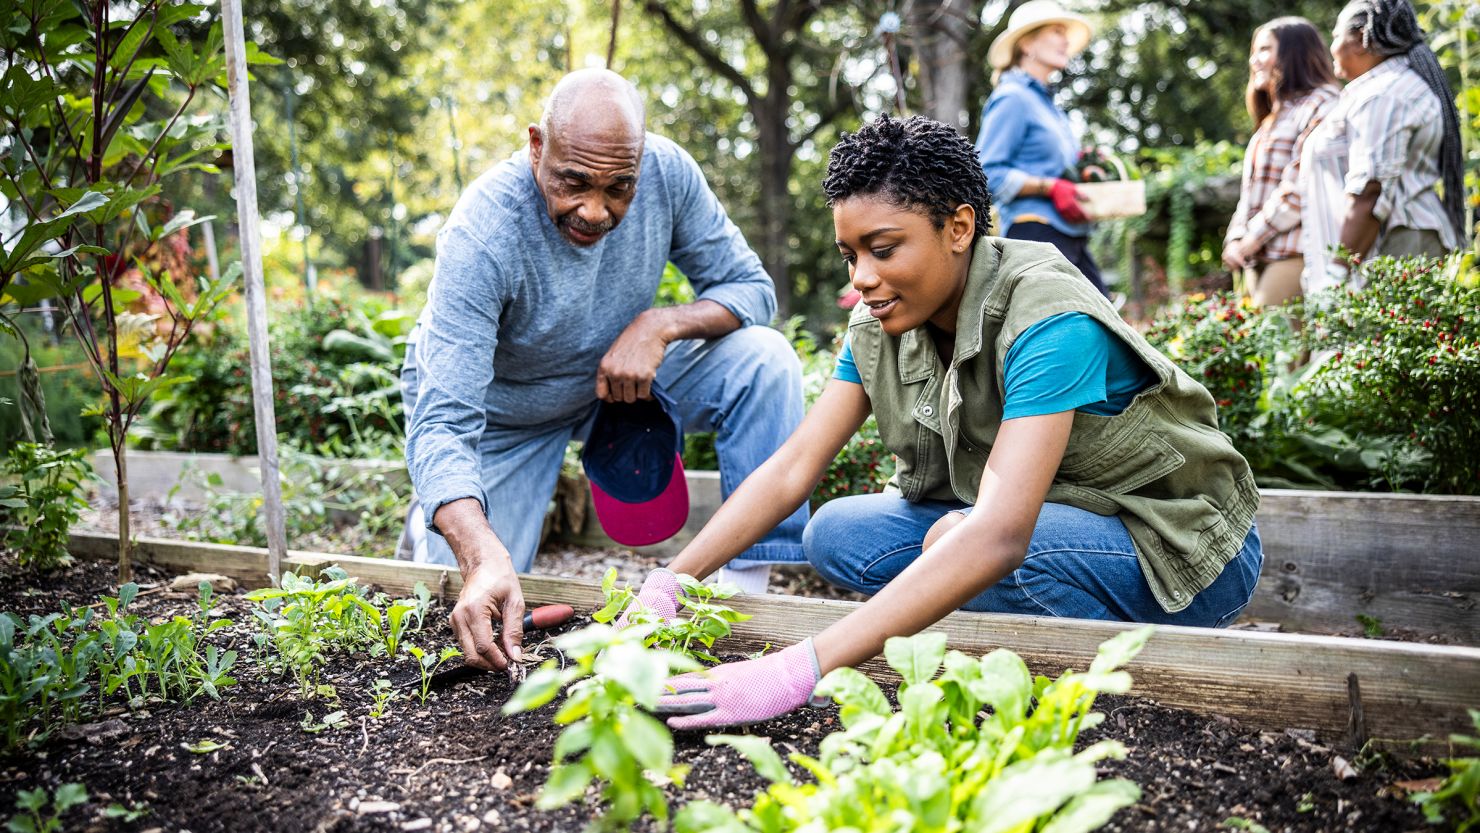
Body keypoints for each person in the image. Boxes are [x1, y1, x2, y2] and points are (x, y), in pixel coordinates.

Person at [625, 115, 1263, 730]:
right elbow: (794, 467)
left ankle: (1124, 676)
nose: (862, 279)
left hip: (1178, 550)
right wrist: (671, 582)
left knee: (964, 542)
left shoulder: (1047, 314)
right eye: (850, 255)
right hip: (1052, 522)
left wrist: (800, 667)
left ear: (959, 227)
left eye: (883, 250)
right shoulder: (882, 321)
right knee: (836, 531)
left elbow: (999, 537)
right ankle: (1003, 634)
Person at [402, 69, 808, 672]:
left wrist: (659, 325)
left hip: (618, 386)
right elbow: (441, 422)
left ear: (641, 162)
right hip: (505, 414)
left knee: (765, 359)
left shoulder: (668, 173)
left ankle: (745, 597)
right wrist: (478, 550)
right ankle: (430, 530)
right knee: (460, 611)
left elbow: (750, 288)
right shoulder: (483, 233)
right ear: (538, 147)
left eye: (620, 187)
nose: (595, 210)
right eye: (574, 183)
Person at [1299, 0, 1464, 296]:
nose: (1331, 46)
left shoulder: (1384, 95)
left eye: (1336, 36)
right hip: (1397, 243)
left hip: (1396, 246)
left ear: (1361, 38)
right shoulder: (1392, 86)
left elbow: (1369, 191)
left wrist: (1337, 275)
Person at [974, 0, 1106, 296]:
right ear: (1027, 44)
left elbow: (1058, 170)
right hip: (1034, 236)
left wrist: (1085, 172)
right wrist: (1049, 188)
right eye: (1057, 31)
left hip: (1069, 236)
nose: (1065, 40)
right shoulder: (1012, 98)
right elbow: (984, 174)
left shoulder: (1048, 106)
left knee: (1106, 326)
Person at [1222, 18, 1340, 307]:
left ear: (1295, 53)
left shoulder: (1322, 104)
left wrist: (1252, 239)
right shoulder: (1272, 119)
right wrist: (1235, 239)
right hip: (1257, 254)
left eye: (1264, 50)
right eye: (1254, 51)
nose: (1254, 61)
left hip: (1295, 252)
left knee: (1276, 349)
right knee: (1259, 347)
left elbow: (1300, 187)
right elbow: (1250, 195)